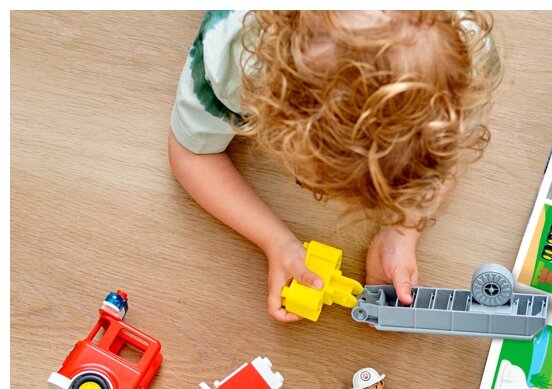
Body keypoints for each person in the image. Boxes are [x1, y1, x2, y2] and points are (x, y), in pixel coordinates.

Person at [169, 10, 501, 321]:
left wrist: (402, 231)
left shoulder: (467, 56)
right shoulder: (232, 55)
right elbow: (192, 154)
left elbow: (447, 153)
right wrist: (275, 240)